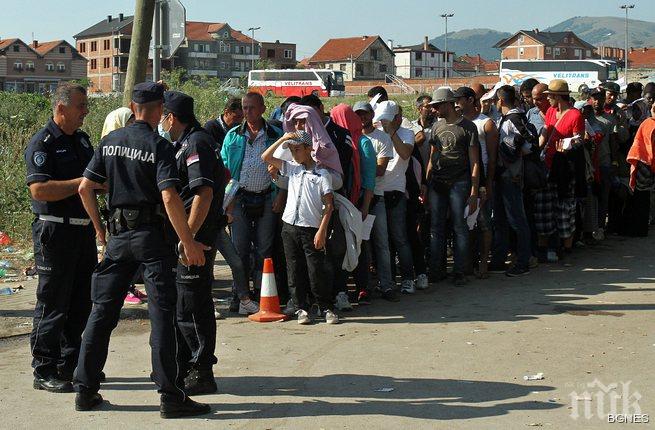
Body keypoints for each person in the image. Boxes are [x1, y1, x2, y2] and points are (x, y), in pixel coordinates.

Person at [74, 82, 211, 418]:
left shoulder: (110, 142)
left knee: (101, 313)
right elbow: (169, 196)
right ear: (157, 108)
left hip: (118, 239)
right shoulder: (159, 146)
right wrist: (189, 242)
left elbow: (85, 188)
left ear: (133, 106)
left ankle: (85, 390)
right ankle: (170, 397)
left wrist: (101, 231)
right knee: (162, 318)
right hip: (152, 240)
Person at [25, 83, 96, 393]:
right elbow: (39, 189)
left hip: (82, 230)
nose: (85, 112)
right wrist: (81, 183)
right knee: (53, 302)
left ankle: (69, 363)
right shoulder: (43, 144)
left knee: (81, 300)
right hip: (54, 230)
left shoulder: (81, 141)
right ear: (61, 108)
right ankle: (44, 368)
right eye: (81, 106)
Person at [160, 90, 227, 395]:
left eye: (163, 116)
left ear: (171, 117)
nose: (162, 121)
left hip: (196, 236)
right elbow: (222, 175)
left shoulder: (195, 142)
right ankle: (185, 364)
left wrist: (189, 238)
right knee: (184, 304)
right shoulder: (186, 142)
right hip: (189, 235)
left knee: (193, 305)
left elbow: (204, 193)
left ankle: (201, 370)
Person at [261, 130, 338, 324]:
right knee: (294, 269)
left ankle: (325, 306)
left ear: (308, 149)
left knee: (315, 269)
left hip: (311, 228)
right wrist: (284, 139)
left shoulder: (322, 174)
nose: (294, 154)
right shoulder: (291, 169)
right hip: (289, 226)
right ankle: (300, 307)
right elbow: (266, 157)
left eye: (297, 149)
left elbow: (329, 205)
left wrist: (322, 230)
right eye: (292, 150)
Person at [221, 92, 283, 297]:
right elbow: (224, 167)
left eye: (252, 108)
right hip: (239, 199)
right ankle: (239, 293)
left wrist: (280, 194)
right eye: (245, 108)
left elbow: (287, 168)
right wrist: (227, 201)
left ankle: (260, 291)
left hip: (267, 197)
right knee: (239, 249)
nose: (247, 112)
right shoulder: (233, 135)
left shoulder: (275, 134)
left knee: (264, 249)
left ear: (263, 109)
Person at [427, 88, 481, 286]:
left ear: (448, 104)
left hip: (460, 181)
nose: (433, 110)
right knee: (436, 227)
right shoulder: (436, 127)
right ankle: (436, 270)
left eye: (437, 106)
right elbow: (433, 156)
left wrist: (474, 191)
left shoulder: (468, 127)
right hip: (438, 182)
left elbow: (475, 162)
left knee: (459, 227)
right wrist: (427, 182)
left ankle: (460, 271)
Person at [101, 107, 148, 305]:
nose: (132, 125)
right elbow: (91, 184)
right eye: (128, 121)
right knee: (119, 257)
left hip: (132, 213)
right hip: (117, 212)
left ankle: (128, 288)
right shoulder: (108, 146)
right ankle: (119, 291)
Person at [331, 103, 377, 304]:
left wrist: (364, 206)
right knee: (342, 247)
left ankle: (362, 287)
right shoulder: (335, 140)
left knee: (359, 245)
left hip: (357, 203)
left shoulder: (363, 142)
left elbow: (369, 180)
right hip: (341, 203)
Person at [353, 101, 398, 301]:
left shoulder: (382, 138)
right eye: (358, 114)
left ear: (372, 115)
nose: (361, 117)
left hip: (376, 197)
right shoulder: (352, 137)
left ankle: (387, 285)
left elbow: (379, 170)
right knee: (360, 245)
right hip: (356, 197)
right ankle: (364, 286)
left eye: (364, 113)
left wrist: (359, 170)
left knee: (381, 244)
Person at [488, 85, 534, 276]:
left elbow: (529, 145)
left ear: (501, 101)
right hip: (504, 175)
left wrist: (511, 150)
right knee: (501, 219)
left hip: (510, 175)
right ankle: (499, 260)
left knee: (517, 220)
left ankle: (523, 261)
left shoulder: (513, 119)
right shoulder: (510, 118)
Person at [538, 79, 585, 265]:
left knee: (565, 209)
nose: (547, 98)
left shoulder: (575, 115)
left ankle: (566, 249)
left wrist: (570, 144)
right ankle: (545, 248)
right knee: (545, 208)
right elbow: (546, 133)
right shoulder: (550, 112)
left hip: (565, 167)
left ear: (558, 96)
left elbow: (580, 139)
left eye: (549, 95)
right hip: (548, 164)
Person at [454, 86, 498, 278]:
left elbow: (493, 157)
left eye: (460, 99)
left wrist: (487, 184)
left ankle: (483, 260)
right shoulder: (457, 123)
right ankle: (468, 260)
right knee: (465, 223)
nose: (456, 103)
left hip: (481, 179)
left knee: (484, 223)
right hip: (462, 180)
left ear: (471, 100)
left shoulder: (486, 123)